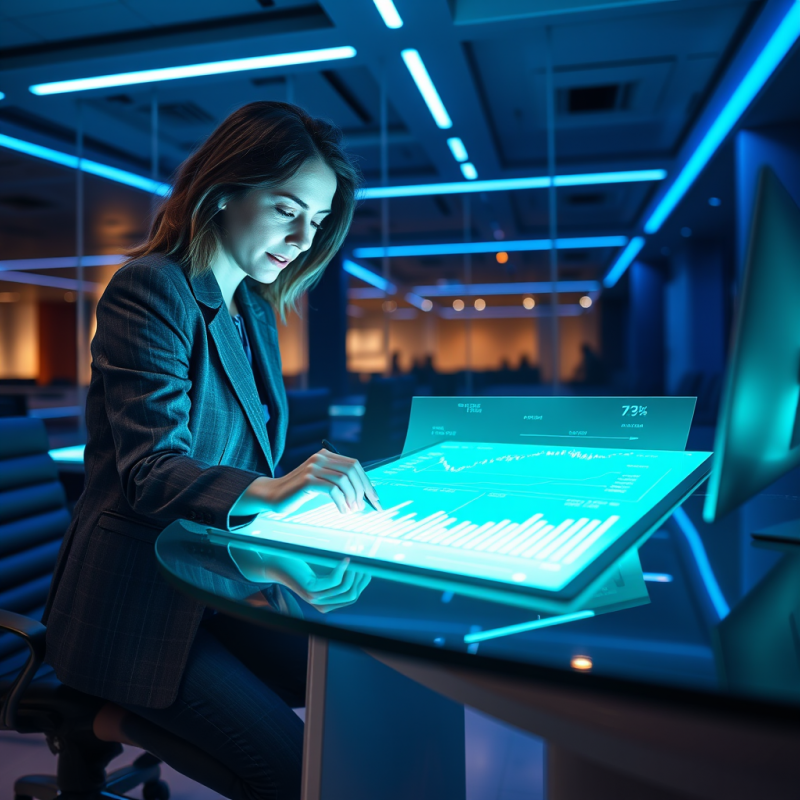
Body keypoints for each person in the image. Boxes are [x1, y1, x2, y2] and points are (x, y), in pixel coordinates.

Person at [43, 101, 381, 800]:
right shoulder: (152, 289)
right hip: (133, 608)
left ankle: (104, 722)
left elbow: (240, 462)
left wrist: (286, 546)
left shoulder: (251, 307)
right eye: (289, 208)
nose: (303, 235)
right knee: (297, 777)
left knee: (362, 677)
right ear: (225, 190)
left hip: (216, 590)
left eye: (316, 221)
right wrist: (278, 489)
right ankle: (96, 715)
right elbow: (151, 473)